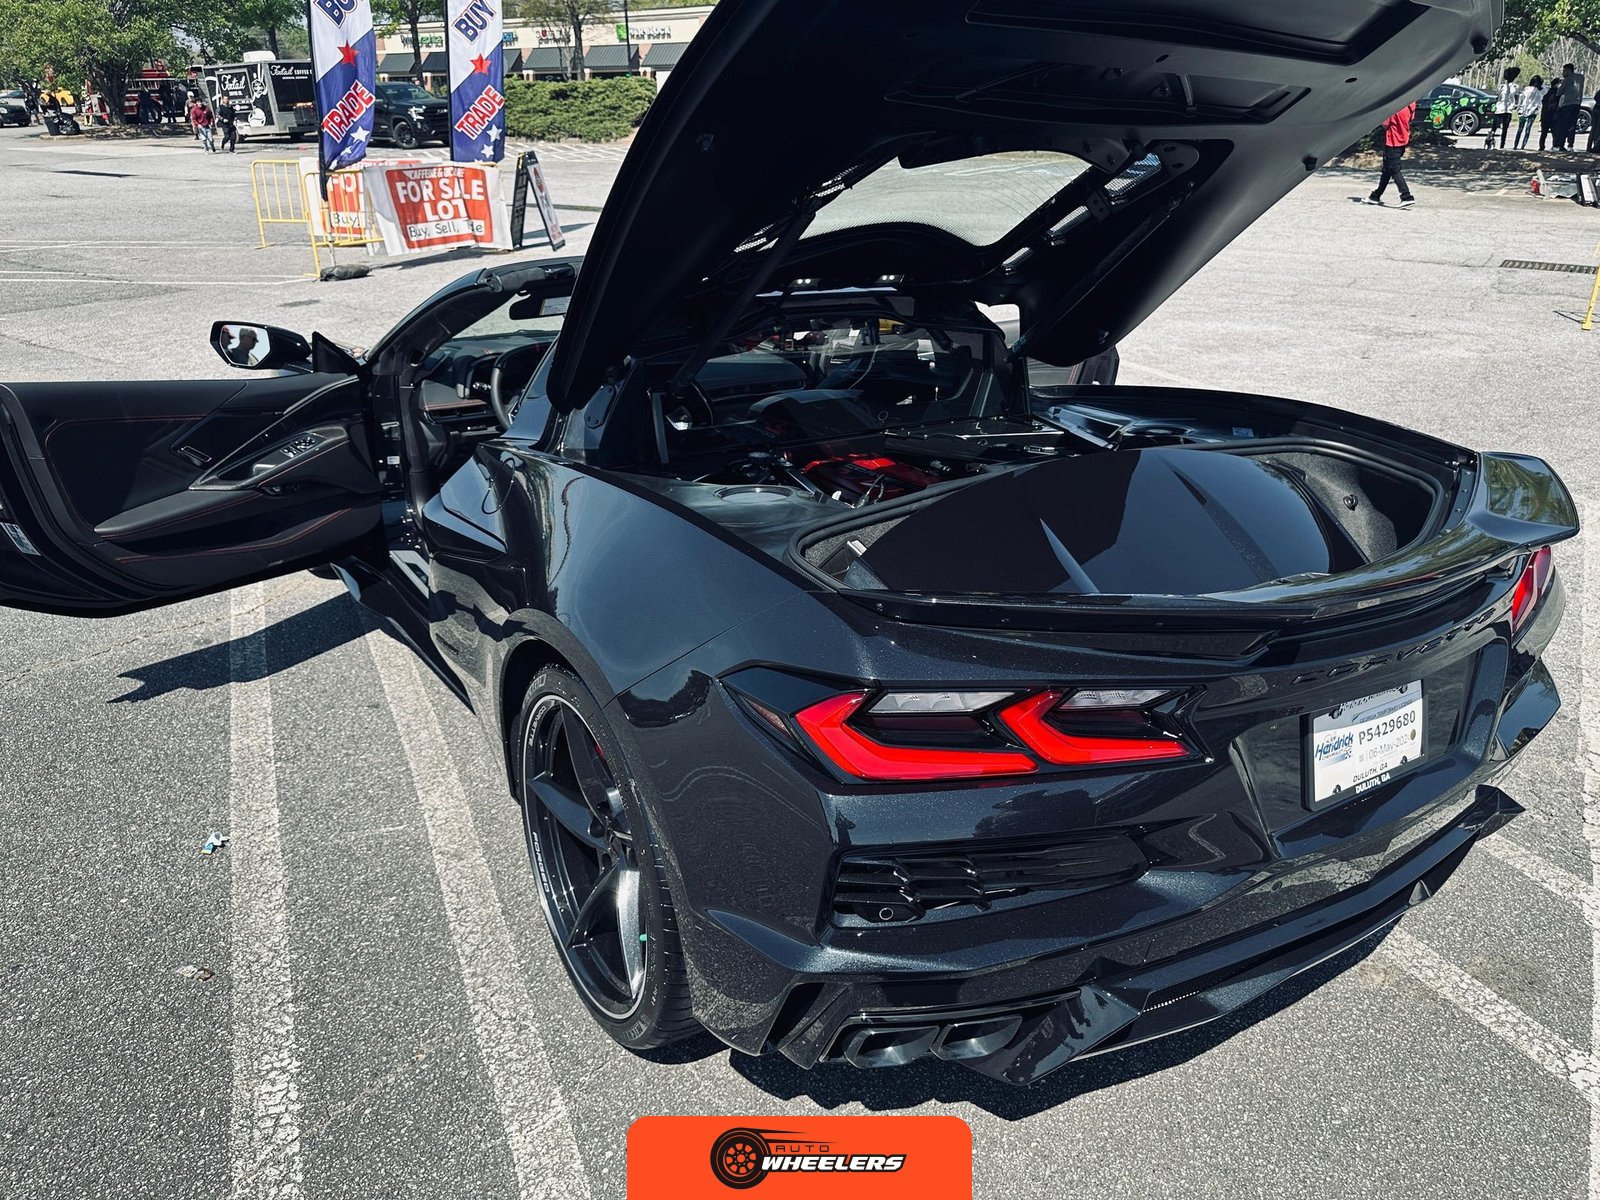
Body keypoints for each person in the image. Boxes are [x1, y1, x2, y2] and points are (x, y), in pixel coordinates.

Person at [1362, 101, 1417, 208]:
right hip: (1403, 139)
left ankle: (1406, 196)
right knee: (1387, 170)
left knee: (1394, 169)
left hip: (1393, 141)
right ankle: (1375, 196)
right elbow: (1411, 118)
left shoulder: (1394, 108)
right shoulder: (1410, 104)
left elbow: (1385, 123)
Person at [1557, 62, 1587, 150]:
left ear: (1569, 70)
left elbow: (1559, 92)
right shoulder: (1581, 78)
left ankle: (1561, 144)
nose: (1563, 73)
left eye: (1564, 71)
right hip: (1577, 104)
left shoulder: (1567, 79)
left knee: (1564, 125)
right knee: (1572, 125)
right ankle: (1570, 145)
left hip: (1567, 104)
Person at [1493, 65, 1521, 148]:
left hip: (1504, 109)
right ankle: (1501, 144)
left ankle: (1498, 143)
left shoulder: (1503, 87)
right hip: (1503, 109)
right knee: (1503, 129)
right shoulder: (1513, 87)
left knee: (1496, 127)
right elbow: (1516, 98)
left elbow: (1498, 97)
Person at [1514, 74, 1544, 149]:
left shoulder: (1527, 89)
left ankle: (1516, 145)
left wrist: (1518, 108)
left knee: (1520, 129)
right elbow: (1540, 101)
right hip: (1532, 111)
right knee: (1527, 129)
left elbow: (1521, 99)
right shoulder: (1539, 91)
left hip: (1524, 110)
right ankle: (1522, 146)